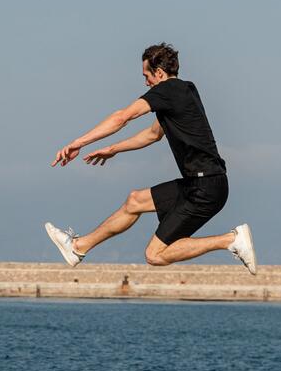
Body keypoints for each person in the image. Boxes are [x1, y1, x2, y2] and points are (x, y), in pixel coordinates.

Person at [45, 43, 257, 273]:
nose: (146, 83)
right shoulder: (185, 91)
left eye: (147, 75)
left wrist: (77, 143)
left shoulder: (167, 91)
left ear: (159, 73)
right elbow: (153, 134)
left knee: (154, 255)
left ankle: (230, 240)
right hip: (202, 183)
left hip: (205, 188)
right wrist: (114, 148)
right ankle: (77, 247)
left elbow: (121, 117)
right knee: (134, 201)